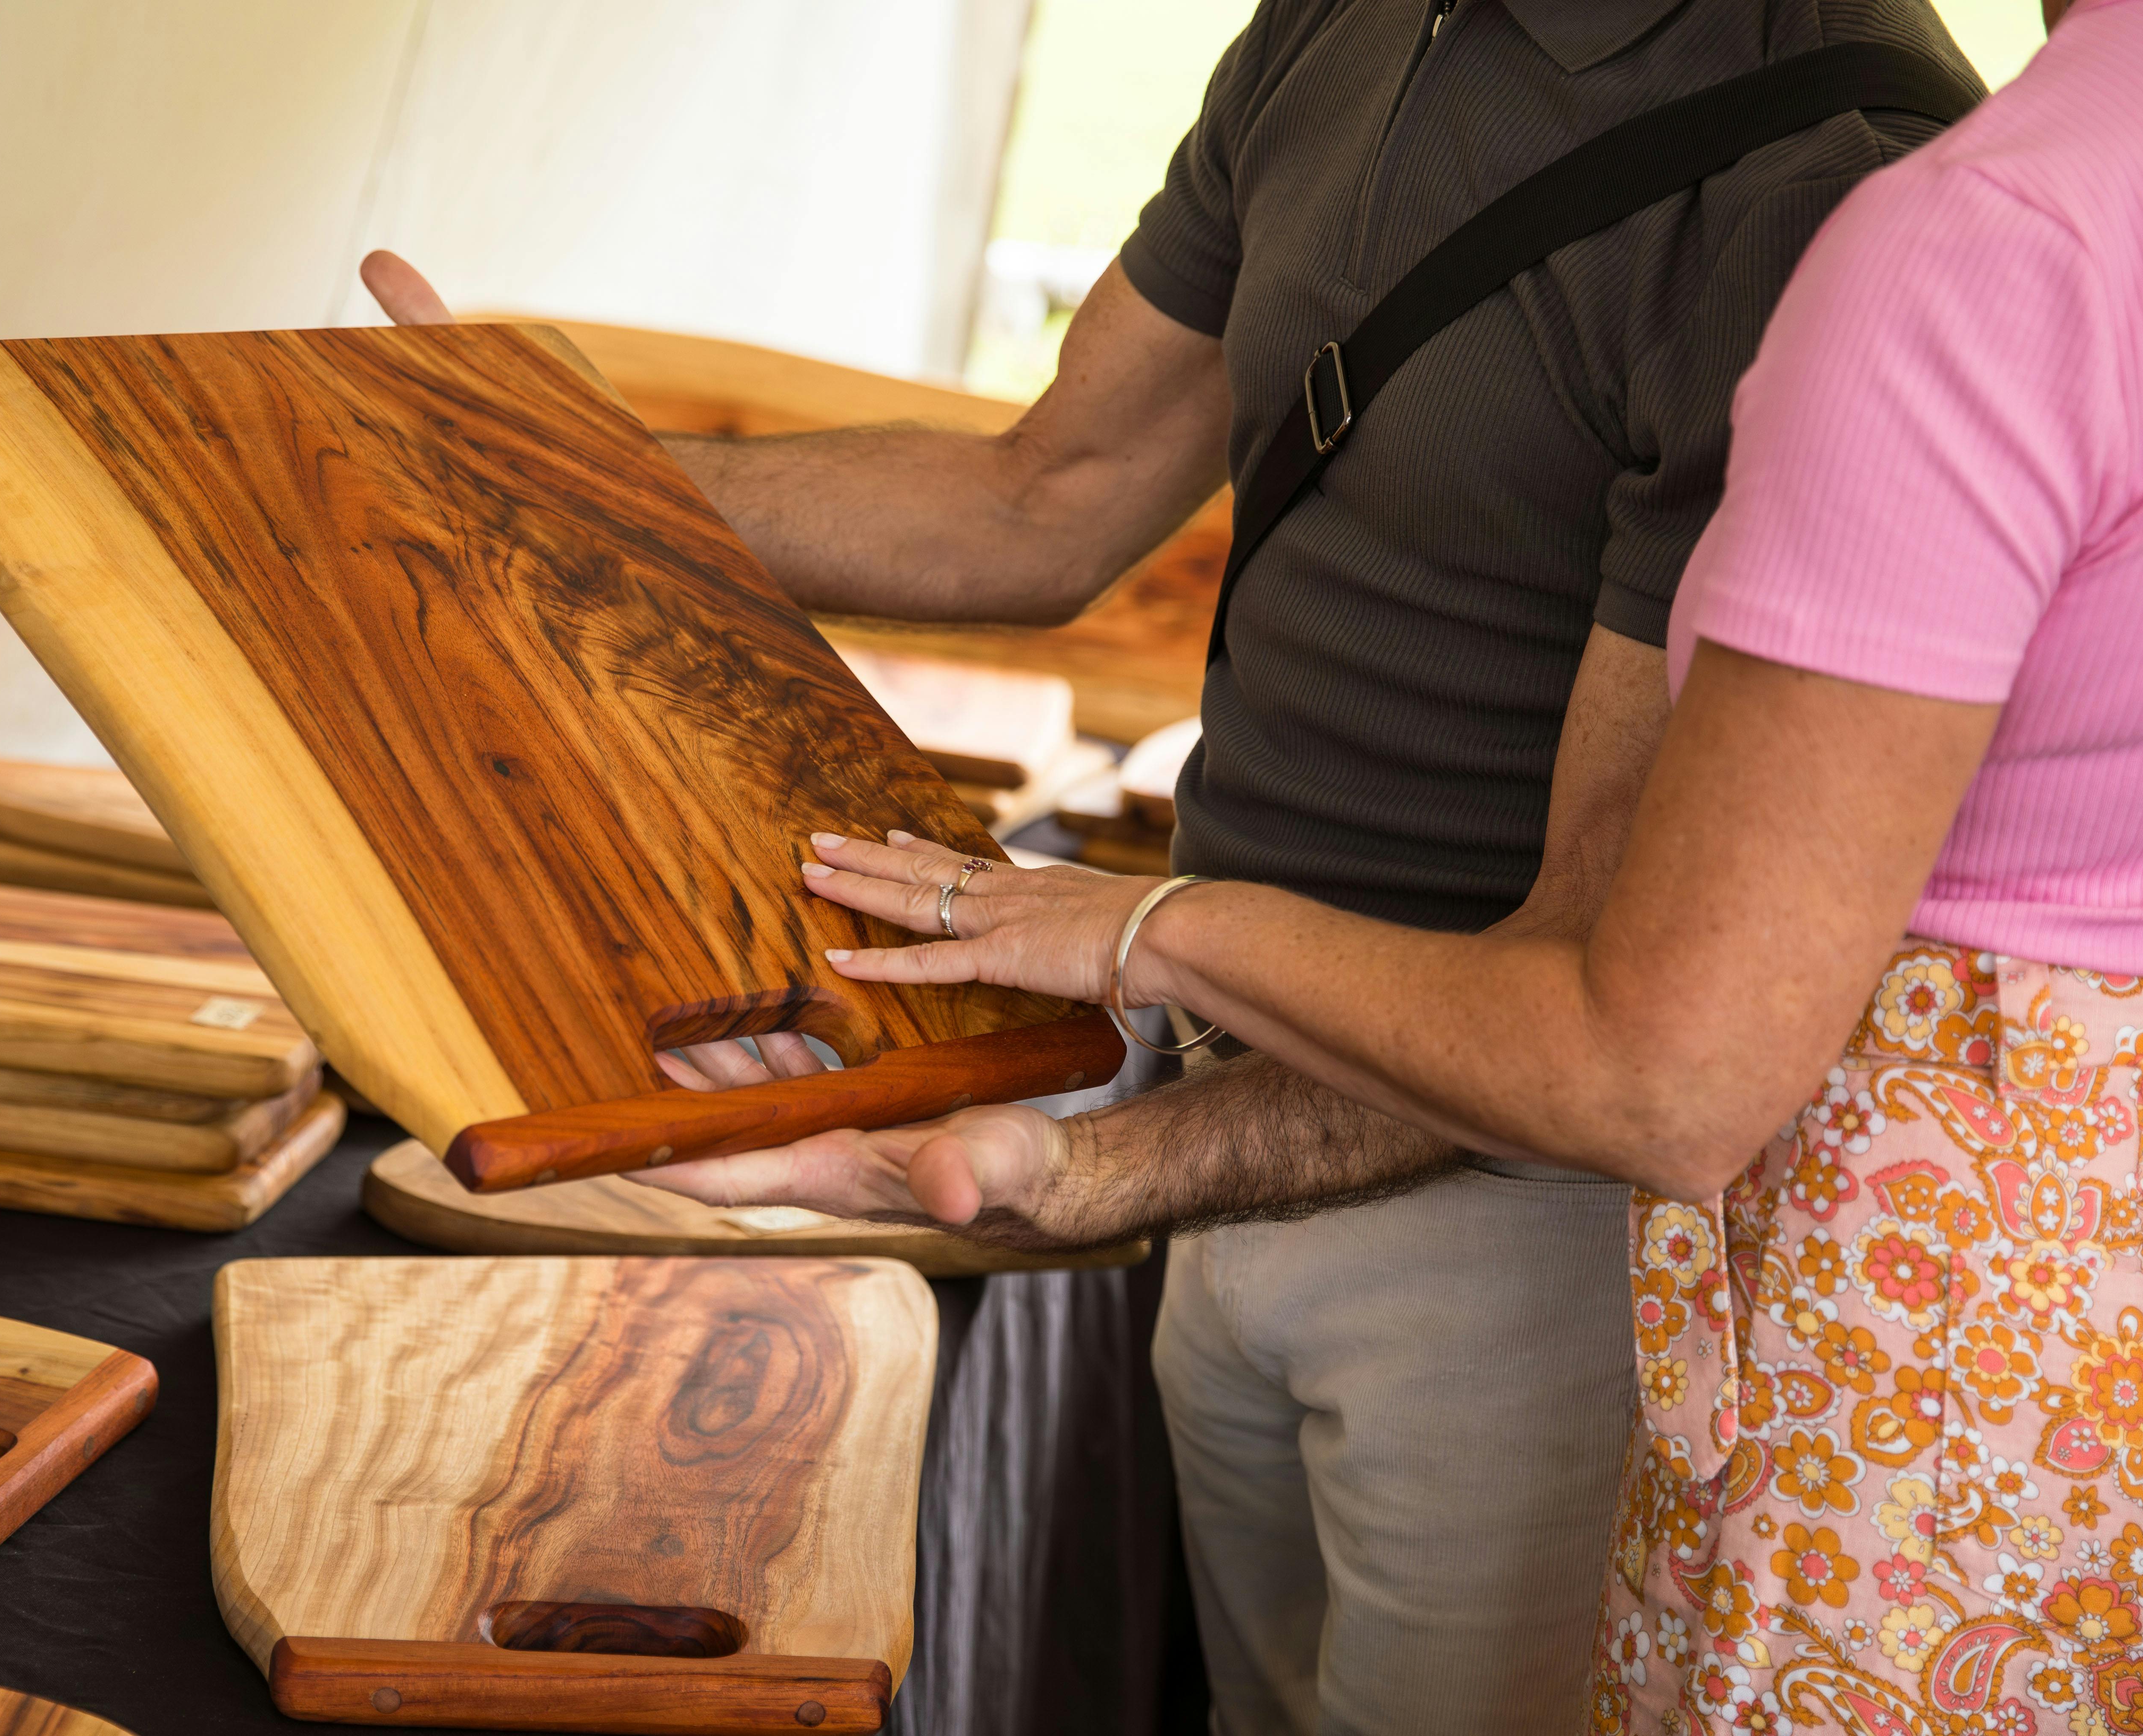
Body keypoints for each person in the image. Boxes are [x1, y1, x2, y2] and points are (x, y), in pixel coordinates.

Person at [368, 1, 1976, 1727]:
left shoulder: (1834, 171)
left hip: (1535, 1239)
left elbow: (1590, 999)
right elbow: (1041, 497)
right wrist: (541, 481)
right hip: (1226, 1126)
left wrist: (1109, 1115)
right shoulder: (1341, 23)